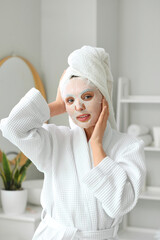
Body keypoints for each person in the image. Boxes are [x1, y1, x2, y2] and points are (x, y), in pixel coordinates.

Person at [0, 46, 146, 240]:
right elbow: (12, 127)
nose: (79, 106)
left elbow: (119, 204)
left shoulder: (129, 147)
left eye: (87, 96)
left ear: (103, 97)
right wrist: (57, 106)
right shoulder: (56, 140)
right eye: (70, 100)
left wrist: (96, 146)